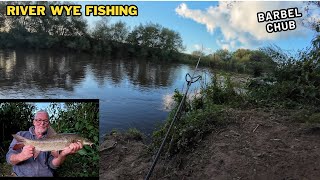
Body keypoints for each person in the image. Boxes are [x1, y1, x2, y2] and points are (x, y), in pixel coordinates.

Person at [6, 110, 83, 177]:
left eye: (45, 121)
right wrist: (21, 156)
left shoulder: (55, 138)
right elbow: (9, 159)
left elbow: (53, 165)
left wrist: (63, 154)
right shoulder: (21, 135)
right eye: (39, 120)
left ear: (48, 124)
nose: (42, 123)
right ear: (34, 122)